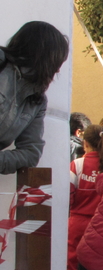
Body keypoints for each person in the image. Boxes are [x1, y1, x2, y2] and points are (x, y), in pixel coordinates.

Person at [0, 21, 70, 174]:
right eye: (56, 60)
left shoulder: (37, 101)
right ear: (42, 56)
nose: (57, 69)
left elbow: (31, 152)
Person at [66, 124, 103, 270]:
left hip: (77, 223)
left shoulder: (77, 165)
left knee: (73, 268)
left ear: (85, 143)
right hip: (102, 225)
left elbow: (68, 197)